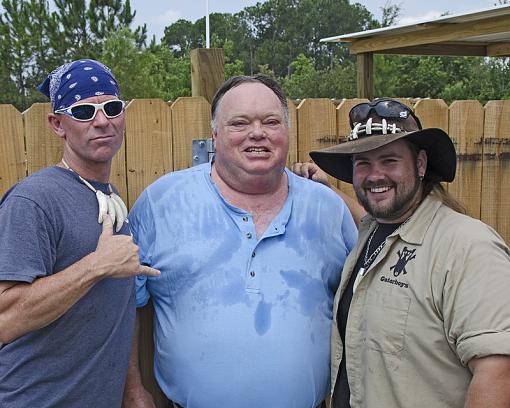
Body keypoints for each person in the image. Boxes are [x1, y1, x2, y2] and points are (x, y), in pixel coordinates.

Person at [122, 75, 358, 408]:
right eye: (240, 123)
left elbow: (364, 302)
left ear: (287, 132)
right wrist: (132, 389)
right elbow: (124, 303)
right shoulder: (161, 204)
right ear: (215, 135)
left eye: (271, 122)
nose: (257, 133)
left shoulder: (328, 208)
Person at [308, 98, 510, 408]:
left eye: (389, 161)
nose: (375, 175)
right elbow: (366, 211)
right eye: (363, 163)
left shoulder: (468, 248)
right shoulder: (373, 232)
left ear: (420, 164)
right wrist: (323, 187)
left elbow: (498, 374)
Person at [0, 59, 159, 408]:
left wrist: (133, 389)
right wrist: (95, 266)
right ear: (58, 124)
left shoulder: (110, 200)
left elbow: (118, 305)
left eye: (112, 108)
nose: (102, 121)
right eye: (84, 111)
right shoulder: (34, 200)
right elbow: (5, 319)